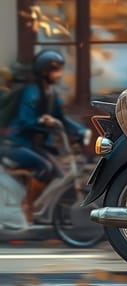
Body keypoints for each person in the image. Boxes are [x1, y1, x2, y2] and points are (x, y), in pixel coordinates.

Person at [4, 49, 90, 224]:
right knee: (44, 166)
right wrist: (42, 121)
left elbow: (61, 119)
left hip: (35, 146)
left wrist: (81, 131)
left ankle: (40, 208)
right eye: (55, 70)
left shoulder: (51, 94)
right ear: (43, 71)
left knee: (57, 172)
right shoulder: (31, 93)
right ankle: (27, 205)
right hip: (16, 144)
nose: (59, 74)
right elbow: (25, 120)